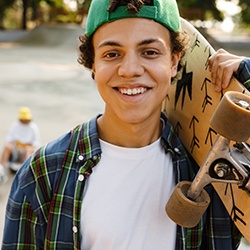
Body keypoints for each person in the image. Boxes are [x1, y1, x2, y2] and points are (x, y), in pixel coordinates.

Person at [2, 0, 249, 249]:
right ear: (93, 65)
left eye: (150, 52)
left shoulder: (214, 172)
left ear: (174, 62)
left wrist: (247, 76)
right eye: (112, 54)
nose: (130, 69)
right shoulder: (45, 173)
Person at [0, 106, 40, 176]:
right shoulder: (15, 125)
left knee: (28, 151)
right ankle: (1, 168)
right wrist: (17, 147)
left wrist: (28, 147)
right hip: (16, 148)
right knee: (7, 147)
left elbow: (36, 143)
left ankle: (26, 171)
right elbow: (9, 139)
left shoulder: (33, 127)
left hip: (27, 150)